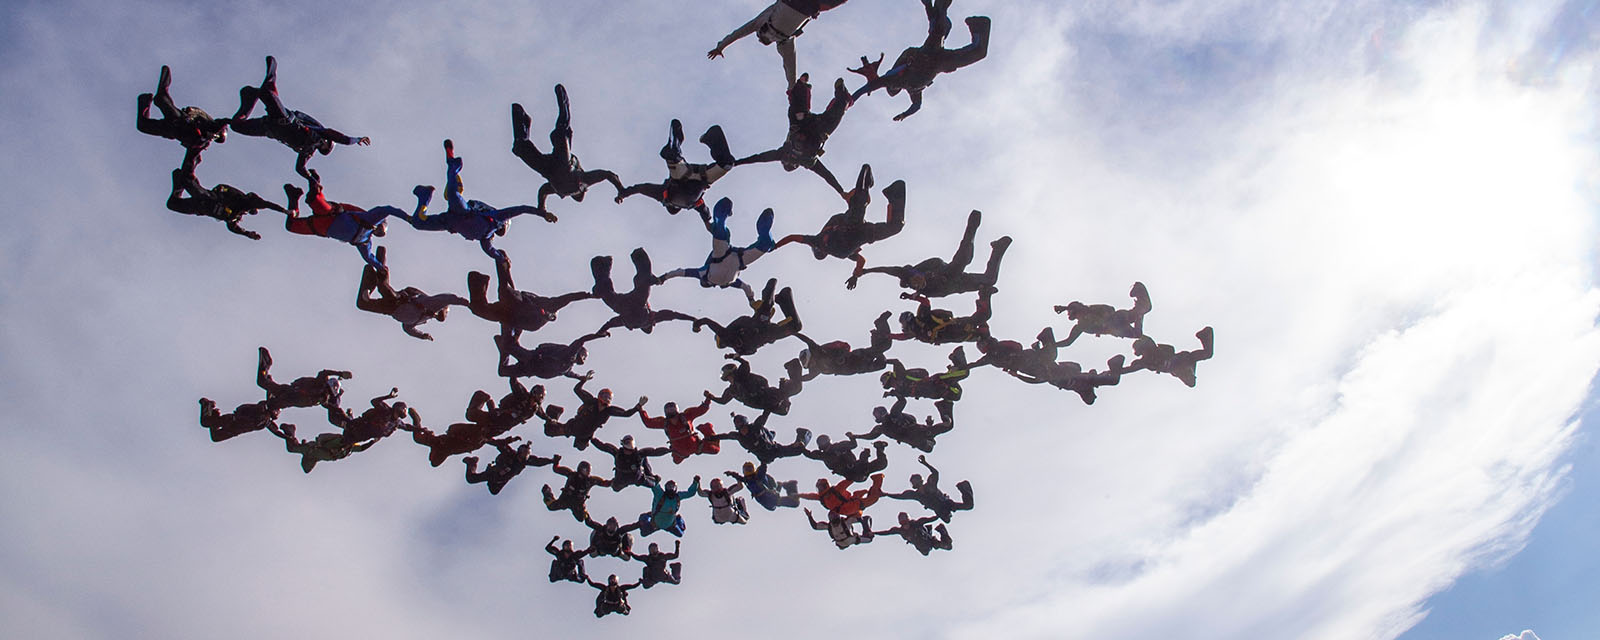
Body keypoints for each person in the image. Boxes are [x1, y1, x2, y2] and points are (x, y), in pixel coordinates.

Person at [398, 139, 556, 263]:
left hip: (449, 222)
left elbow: (490, 251)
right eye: (500, 232)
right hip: (464, 212)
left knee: (418, 223)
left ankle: (424, 196)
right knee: (452, 194)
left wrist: (502, 258)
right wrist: (542, 213)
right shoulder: (497, 217)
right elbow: (520, 209)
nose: (498, 234)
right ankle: (453, 163)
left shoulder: (485, 238)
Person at [228, 55, 370, 178]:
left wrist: (311, 179)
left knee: (236, 126)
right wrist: (357, 139)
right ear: (328, 141)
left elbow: (299, 168)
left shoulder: (308, 151)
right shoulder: (319, 133)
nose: (322, 147)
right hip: (284, 119)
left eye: (323, 150)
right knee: (267, 92)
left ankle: (250, 98)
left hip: (268, 127)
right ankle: (271, 77)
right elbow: (343, 139)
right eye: (326, 146)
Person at [848, 1, 990, 121]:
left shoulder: (894, 80)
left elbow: (868, 87)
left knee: (940, 29)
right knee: (978, 52)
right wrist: (904, 115)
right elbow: (916, 106)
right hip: (939, 62)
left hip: (928, 56)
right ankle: (977, 24)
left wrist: (850, 100)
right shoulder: (913, 90)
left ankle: (933, 6)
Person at [510, 85, 625, 211]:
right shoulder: (584, 180)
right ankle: (563, 102)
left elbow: (543, 191)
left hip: (549, 170)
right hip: (563, 163)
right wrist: (621, 190)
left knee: (520, 147)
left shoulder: (559, 189)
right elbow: (608, 175)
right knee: (561, 132)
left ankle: (522, 118)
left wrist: (541, 208)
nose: (574, 193)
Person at [734, 74, 852, 195]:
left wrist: (737, 162)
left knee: (799, 108)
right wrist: (842, 192)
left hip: (805, 124)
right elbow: (826, 175)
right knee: (834, 110)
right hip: (815, 128)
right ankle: (831, 94)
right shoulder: (804, 160)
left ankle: (803, 87)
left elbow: (758, 158)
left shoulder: (787, 155)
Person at [774, 164, 905, 272]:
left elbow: (792, 238)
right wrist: (856, 274)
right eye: (823, 252)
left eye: (820, 250)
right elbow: (861, 260)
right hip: (865, 232)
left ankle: (863, 189)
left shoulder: (817, 240)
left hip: (852, 225)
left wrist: (775, 246)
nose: (823, 249)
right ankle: (892, 194)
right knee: (896, 227)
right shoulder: (839, 251)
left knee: (859, 202)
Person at [848, 209, 1010, 296]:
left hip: (945, 271)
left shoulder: (905, 272)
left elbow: (884, 269)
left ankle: (972, 227)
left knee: (963, 259)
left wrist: (863, 272)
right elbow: (922, 298)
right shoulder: (925, 292)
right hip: (958, 283)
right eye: (918, 285)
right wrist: (984, 291)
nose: (919, 283)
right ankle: (997, 249)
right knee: (990, 280)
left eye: (916, 281)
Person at [657, 197, 776, 303]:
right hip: (733, 260)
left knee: (721, 231)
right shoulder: (706, 275)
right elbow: (680, 272)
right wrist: (663, 277)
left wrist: (751, 299)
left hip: (728, 259)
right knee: (722, 231)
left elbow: (746, 288)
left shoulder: (706, 275)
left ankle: (725, 215)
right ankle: (727, 215)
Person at [707, 0, 851, 86]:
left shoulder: (766, 27)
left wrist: (721, 46)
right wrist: (792, 88)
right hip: (809, 6)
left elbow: (739, 32)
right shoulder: (783, 42)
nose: (761, 40)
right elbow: (790, 66)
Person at [280, 169, 401, 272]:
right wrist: (408, 218)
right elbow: (388, 210)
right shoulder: (368, 218)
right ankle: (315, 181)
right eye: (380, 229)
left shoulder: (365, 242)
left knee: (290, 226)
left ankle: (293, 197)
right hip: (331, 215)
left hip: (320, 228)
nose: (377, 231)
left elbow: (368, 257)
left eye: (380, 233)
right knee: (313, 199)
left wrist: (380, 267)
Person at [615, 119, 735, 218]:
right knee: (726, 164)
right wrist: (624, 194)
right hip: (695, 177)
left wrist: (624, 194)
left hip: (688, 176)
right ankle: (701, 141)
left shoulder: (663, 194)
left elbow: (641, 188)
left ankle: (675, 150)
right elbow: (641, 188)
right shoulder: (686, 202)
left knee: (726, 165)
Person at [354, 247, 467, 341]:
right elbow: (448, 298)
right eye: (445, 313)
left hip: (390, 310)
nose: (442, 316)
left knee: (363, 304)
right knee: (383, 287)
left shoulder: (423, 319)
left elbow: (408, 329)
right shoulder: (433, 304)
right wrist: (465, 302)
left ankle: (370, 274)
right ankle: (381, 259)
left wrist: (422, 336)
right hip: (400, 301)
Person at [136, 65, 228, 172]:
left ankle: (145, 99)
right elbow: (201, 113)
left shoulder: (202, 143)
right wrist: (191, 112)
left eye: (216, 138)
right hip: (181, 121)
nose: (215, 137)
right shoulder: (211, 124)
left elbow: (190, 158)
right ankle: (163, 85)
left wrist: (191, 168)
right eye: (217, 136)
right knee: (161, 99)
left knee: (143, 126)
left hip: (172, 130)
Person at [465, 256, 592, 334]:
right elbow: (569, 298)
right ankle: (501, 260)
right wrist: (588, 295)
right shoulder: (549, 305)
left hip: (506, 315)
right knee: (504, 290)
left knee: (478, 310)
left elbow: (517, 328)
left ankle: (479, 280)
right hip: (517, 303)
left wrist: (511, 338)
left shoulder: (535, 325)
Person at [591, 248, 698, 334]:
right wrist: (601, 332)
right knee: (607, 291)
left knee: (643, 278)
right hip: (626, 306)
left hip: (630, 304)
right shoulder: (643, 319)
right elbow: (674, 315)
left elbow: (674, 315)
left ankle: (605, 268)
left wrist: (693, 319)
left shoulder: (650, 318)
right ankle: (604, 269)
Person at [690, 278, 802, 356]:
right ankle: (784, 298)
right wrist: (737, 356)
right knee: (795, 327)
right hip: (766, 332)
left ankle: (772, 299)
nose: (727, 344)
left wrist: (698, 324)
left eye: (724, 343)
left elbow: (708, 321)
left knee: (767, 306)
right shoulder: (739, 348)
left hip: (758, 326)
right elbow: (753, 351)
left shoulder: (726, 335)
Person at [165, 167, 285, 240]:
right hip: (207, 198)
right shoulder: (239, 198)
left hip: (199, 208)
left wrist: (248, 234)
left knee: (172, 204)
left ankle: (179, 186)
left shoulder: (234, 217)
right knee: (184, 178)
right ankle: (191, 167)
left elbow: (233, 228)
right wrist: (284, 211)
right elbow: (267, 204)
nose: (246, 211)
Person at [541, 372, 646, 450]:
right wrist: (583, 380)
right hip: (573, 427)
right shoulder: (591, 401)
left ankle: (579, 440)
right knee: (549, 431)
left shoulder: (609, 410)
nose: (606, 398)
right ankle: (553, 416)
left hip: (585, 435)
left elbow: (626, 414)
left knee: (581, 447)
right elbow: (577, 390)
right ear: (599, 396)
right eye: (604, 395)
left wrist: (638, 407)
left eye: (608, 397)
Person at [788, 311, 895, 381]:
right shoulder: (816, 369)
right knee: (881, 364)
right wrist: (796, 379)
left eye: (804, 360)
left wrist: (793, 333)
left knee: (885, 346)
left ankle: (881, 323)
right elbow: (808, 377)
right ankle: (875, 336)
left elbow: (808, 341)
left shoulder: (818, 352)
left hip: (857, 357)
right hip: (858, 368)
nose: (808, 365)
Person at [1050, 282, 1152, 346]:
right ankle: (1141, 306)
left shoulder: (1089, 310)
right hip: (1114, 329)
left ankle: (1141, 302)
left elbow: (1109, 309)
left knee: (1136, 316)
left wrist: (1064, 308)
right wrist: (1052, 345)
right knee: (1137, 333)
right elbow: (1068, 341)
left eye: (1070, 311)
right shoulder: (1080, 326)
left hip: (1115, 320)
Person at [254, 346, 350, 412]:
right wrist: (340, 373)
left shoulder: (324, 398)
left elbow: (334, 406)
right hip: (289, 393)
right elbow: (324, 373)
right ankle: (266, 364)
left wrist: (340, 376)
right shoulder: (321, 385)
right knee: (263, 384)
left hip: (288, 398)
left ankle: (267, 373)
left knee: (267, 403)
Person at [493, 326, 608, 380]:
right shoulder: (570, 352)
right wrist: (598, 335)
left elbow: (570, 374)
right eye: (583, 356)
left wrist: (581, 378)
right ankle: (514, 327)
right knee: (508, 345)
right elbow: (582, 340)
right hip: (532, 358)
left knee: (503, 371)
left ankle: (505, 347)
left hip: (530, 370)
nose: (583, 359)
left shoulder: (567, 367)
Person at [704, 355, 804, 416]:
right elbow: (723, 401)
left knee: (795, 388)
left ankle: (793, 366)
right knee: (783, 411)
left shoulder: (741, 375)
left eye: (730, 376)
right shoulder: (731, 390)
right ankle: (785, 393)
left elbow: (746, 364)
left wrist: (737, 358)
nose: (730, 379)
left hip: (765, 395)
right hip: (758, 403)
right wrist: (711, 397)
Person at [847, 396, 953, 453]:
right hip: (916, 437)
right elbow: (870, 436)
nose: (879, 416)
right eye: (877, 415)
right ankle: (943, 407)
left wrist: (895, 394)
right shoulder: (881, 428)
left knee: (948, 425)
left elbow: (902, 401)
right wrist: (856, 436)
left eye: (879, 414)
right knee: (929, 447)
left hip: (918, 432)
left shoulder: (894, 414)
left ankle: (943, 406)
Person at [885, 454, 973, 522]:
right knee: (947, 520)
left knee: (969, 506)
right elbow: (900, 496)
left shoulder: (930, 485)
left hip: (946, 504)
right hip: (939, 510)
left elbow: (935, 473)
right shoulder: (915, 495)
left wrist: (925, 463)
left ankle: (963, 487)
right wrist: (886, 494)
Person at [1118, 327, 1215, 387]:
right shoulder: (1145, 361)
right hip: (1181, 363)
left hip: (1181, 360)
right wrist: (1118, 370)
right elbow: (1131, 368)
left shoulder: (1151, 350)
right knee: (1207, 354)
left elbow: (1143, 337)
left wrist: (1127, 330)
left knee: (1207, 354)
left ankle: (1205, 334)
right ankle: (1205, 335)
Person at [893, 289, 992, 345]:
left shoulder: (921, 317)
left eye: (903, 323)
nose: (903, 327)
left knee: (983, 316)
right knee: (982, 328)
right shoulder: (915, 332)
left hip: (954, 327)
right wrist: (888, 335)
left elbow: (926, 302)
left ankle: (984, 295)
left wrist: (911, 297)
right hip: (954, 334)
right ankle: (983, 299)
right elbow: (901, 337)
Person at [463, 438, 559, 495]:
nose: (525, 456)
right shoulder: (510, 453)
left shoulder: (526, 461)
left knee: (494, 491)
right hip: (494, 472)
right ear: (519, 452)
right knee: (471, 479)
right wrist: (485, 439)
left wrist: (552, 460)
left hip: (502, 479)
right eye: (524, 453)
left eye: (527, 454)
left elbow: (539, 462)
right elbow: (499, 444)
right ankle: (472, 463)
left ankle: (490, 476)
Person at [638, 399, 721, 463]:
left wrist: (708, 399)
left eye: (672, 409)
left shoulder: (686, 416)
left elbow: (701, 410)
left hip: (696, 446)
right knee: (676, 461)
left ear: (676, 410)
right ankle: (682, 453)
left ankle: (706, 428)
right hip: (680, 451)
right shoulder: (664, 423)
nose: (670, 411)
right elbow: (648, 423)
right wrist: (640, 409)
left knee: (715, 450)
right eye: (668, 410)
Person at [271, 423, 377, 473]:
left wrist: (373, 441)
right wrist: (317, 444)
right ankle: (290, 430)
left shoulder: (350, 448)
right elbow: (322, 437)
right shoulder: (339, 439)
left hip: (314, 456)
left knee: (306, 469)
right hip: (312, 450)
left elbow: (362, 448)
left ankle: (295, 438)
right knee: (292, 448)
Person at [713, 410, 811, 464]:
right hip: (763, 457)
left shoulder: (755, 427)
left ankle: (802, 436)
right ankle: (795, 442)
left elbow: (764, 416)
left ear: (747, 425)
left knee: (798, 450)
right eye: (740, 429)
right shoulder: (738, 436)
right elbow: (725, 436)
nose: (743, 431)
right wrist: (710, 438)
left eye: (744, 427)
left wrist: (769, 406)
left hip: (773, 450)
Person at [325, 387, 419, 443]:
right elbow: (374, 401)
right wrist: (388, 396)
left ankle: (346, 414)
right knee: (336, 417)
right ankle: (332, 400)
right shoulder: (385, 410)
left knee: (344, 442)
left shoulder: (396, 423)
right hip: (356, 426)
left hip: (361, 436)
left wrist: (420, 429)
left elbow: (407, 427)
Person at [592, 434, 671, 492]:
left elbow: (655, 451)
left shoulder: (638, 454)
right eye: (627, 444)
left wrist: (669, 450)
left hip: (638, 478)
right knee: (615, 488)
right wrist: (592, 439)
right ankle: (614, 483)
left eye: (630, 444)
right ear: (623, 445)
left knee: (654, 483)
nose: (628, 450)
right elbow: (603, 446)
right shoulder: (617, 453)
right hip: (621, 479)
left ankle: (651, 475)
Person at [463, 378, 547, 432]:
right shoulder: (522, 395)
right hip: (499, 416)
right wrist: (515, 373)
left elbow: (542, 414)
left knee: (480, 403)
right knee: (483, 397)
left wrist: (550, 420)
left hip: (500, 422)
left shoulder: (534, 408)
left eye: (541, 396)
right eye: (539, 395)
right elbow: (514, 383)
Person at [542, 460, 611, 522]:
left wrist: (613, 482)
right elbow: (556, 469)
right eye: (585, 470)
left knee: (581, 518)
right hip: (566, 499)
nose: (587, 473)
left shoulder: (591, 480)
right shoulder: (571, 474)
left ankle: (585, 513)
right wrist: (556, 462)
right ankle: (548, 493)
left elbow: (604, 483)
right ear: (580, 469)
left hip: (577, 503)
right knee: (551, 506)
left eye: (588, 471)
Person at [803, 434, 889, 483]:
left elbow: (853, 445)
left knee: (882, 463)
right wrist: (801, 446)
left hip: (859, 469)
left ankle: (879, 448)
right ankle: (876, 450)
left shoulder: (838, 447)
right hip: (853, 473)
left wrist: (852, 437)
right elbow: (810, 455)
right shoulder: (825, 455)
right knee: (877, 462)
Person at [880, 356, 968, 402]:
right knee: (953, 395)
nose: (892, 385)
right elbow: (897, 394)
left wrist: (885, 361)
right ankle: (955, 366)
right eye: (890, 385)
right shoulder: (899, 389)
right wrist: (889, 394)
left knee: (961, 374)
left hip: (933, 383)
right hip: (932, 393)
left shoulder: (900, 375)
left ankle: (958, 360)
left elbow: (896, 362)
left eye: (890, 382)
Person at [800, 473, 886, 521]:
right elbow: (850, 480)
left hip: (849, 508)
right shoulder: (835, 490)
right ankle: (877, 479)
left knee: (870, 498)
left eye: (820, 487)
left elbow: (809, 496)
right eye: (819, 488)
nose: (820, 489)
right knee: (873, 498)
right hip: (851, 507)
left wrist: (798, 495)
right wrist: (862, 472)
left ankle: (875, 483)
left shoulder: (822, 497)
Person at [725, 461, 803, 511]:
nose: (748, 470)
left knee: (795, 503)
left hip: (770, 498)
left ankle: (790, 486)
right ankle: (786, 486)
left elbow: (763, 469)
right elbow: (740, 478)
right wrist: (732, 474)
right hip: (766, 499)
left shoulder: (758, 476)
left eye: (750, 468)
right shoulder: (747, 480)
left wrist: (763, 460)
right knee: (786, 499)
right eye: (746, 468)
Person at [198, 398, 282, 442]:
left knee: (216, 437)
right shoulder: (261, 409)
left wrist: (287, 436)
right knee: (205, 422)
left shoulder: (267, 421)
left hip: (235, 429)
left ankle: (213, 413)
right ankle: (207, 404)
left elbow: (275, 430)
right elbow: (243, 409)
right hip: (232, 421)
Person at [873, 512, 953, 555]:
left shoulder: (917, 523)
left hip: (930, 541)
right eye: (903, 524)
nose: (905, 526)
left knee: (948, 546)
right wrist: (873, 533)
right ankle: (939, 532)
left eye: (906, 523)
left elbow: (928, 520)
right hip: (921, 546)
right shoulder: (900, 530)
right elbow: (887, 532)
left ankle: (942, 529)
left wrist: (939, 515)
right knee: (925, 553)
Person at [805, 507, 874, 549]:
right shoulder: (846, 521)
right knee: (869, 539)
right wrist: (867, 529)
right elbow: (865, 519)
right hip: (849, 540)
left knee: (867, 538)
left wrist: (809, 516)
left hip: (843, 542)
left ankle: (863, 535)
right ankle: (865, 535)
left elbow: (815, 526)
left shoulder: (830, 525)